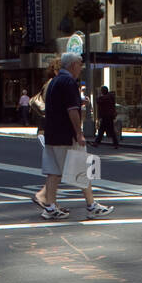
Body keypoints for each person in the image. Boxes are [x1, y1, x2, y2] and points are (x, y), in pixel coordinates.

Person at [32, 52, 113, 221]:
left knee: (53, 172)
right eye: (80, 64)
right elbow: (72, 111)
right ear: (72, 65)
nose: (81, 67)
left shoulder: (53, 82)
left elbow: (60, 106)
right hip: (66, 135)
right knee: (82, 171)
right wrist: (79, 132)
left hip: (52, 134)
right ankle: (91, 206)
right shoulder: (68, 82)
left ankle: (51, 207)